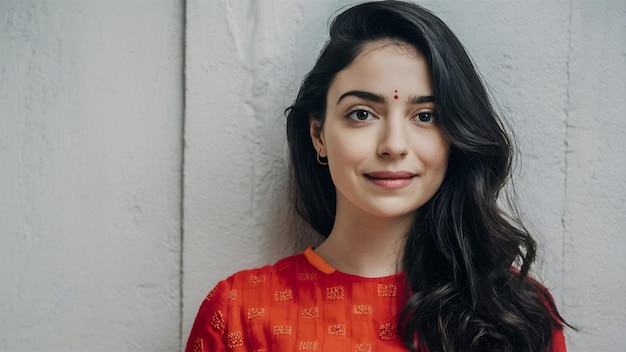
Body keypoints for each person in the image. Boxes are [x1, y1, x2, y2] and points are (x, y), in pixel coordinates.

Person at [186, 1, 568, 351]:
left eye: (426, 116)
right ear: (318, 134)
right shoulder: (240, 313)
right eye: (362, 114)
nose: (393, 145)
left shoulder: (516, 313)